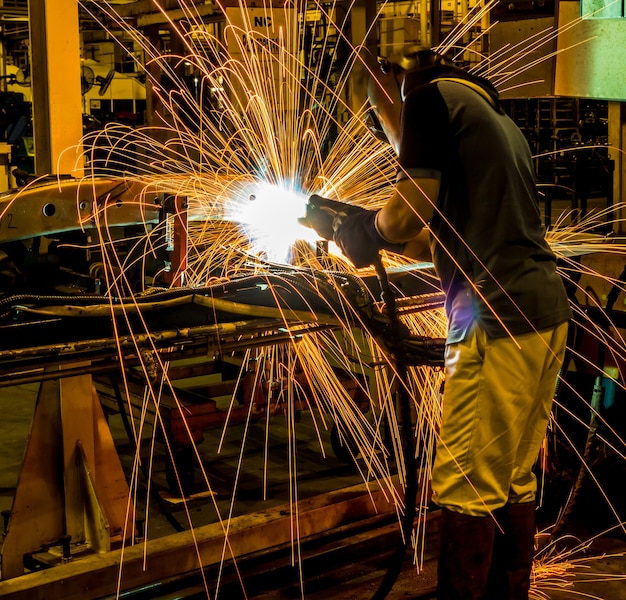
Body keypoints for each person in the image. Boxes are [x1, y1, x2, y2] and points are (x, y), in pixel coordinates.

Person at [313, 48, 572, 599]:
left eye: (377, 118)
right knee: (512, 478)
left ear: (390, 87)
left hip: (496, 323)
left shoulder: (426, 98)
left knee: (464, 487)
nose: (387, 138)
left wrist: (369, 230)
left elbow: (407, 213)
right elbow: (434, 232)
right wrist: (350, 227)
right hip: (542, 314)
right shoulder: (487, 113)